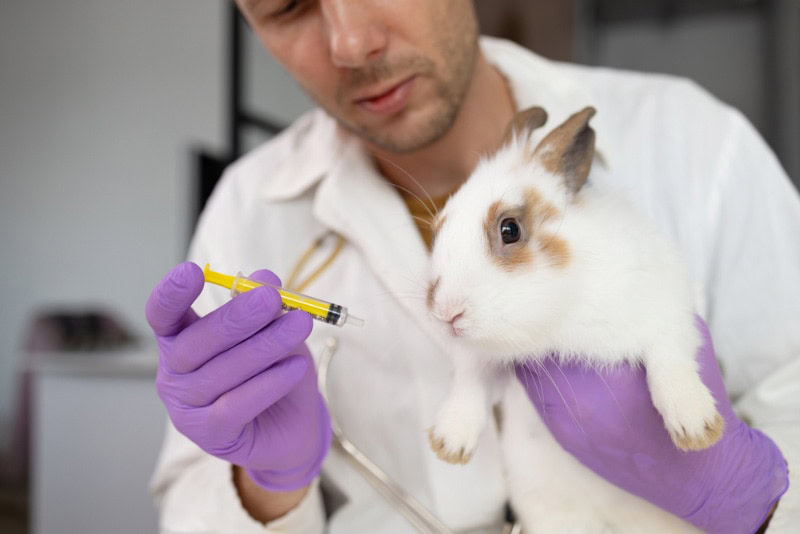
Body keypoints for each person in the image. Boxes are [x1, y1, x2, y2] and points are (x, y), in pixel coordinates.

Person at [146, 1, 798, 532]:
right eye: (287, 7)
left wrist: (745, 496)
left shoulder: (699, 143)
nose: (350, 42)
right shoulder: (246, 206)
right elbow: (186, 507)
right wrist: (268, 486)